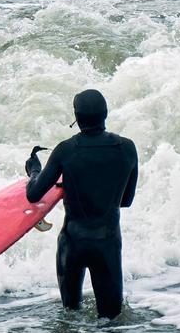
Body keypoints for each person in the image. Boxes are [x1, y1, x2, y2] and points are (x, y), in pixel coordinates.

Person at [24, 89, 138, 320]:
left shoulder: (66, 150)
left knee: (70, 319)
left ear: (77, 117)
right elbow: (126, 200)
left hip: (73, 244)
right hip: (107, 245)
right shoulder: (126, 148)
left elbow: (34, 194)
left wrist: (34, 169)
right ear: (105, 114)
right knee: (111, 322)